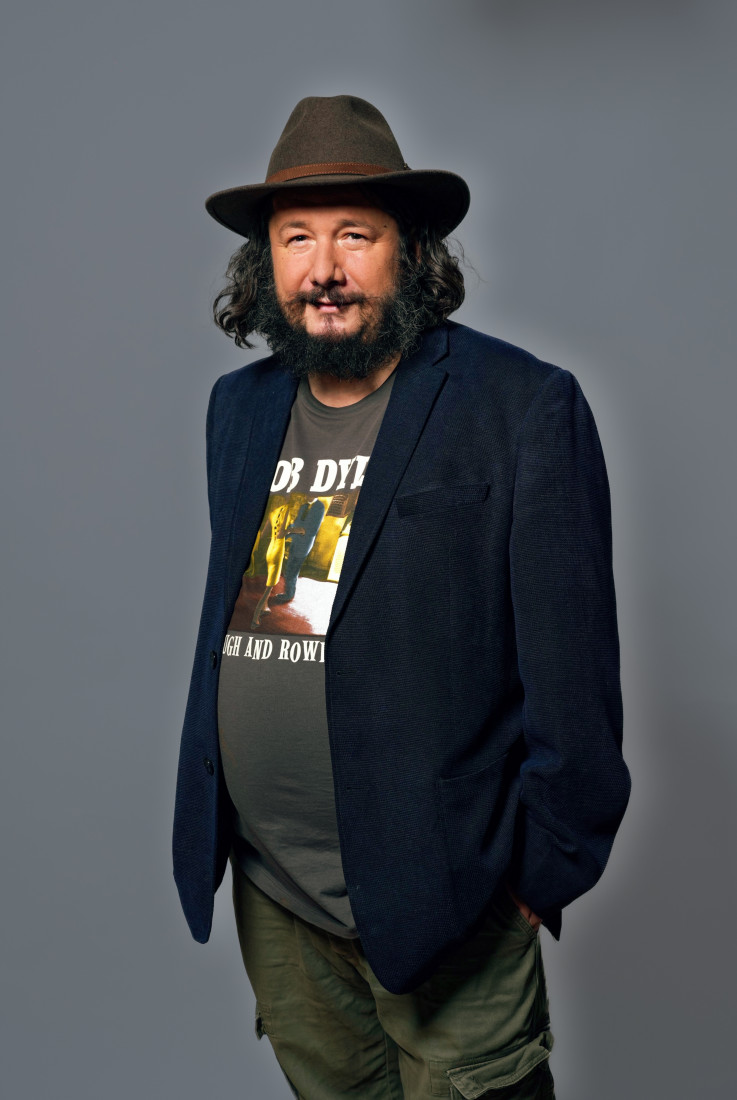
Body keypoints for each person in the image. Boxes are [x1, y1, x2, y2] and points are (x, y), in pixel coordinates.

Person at [173, 94, 631, 1099]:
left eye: (354, 235)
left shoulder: (518, 406)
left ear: (411, 252)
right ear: (265, 263)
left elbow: (573, 674)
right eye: (296, 238)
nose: (322, 268)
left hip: (448, 893)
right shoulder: (237, 411)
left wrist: (536, 875)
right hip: (275, 893)